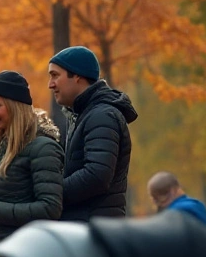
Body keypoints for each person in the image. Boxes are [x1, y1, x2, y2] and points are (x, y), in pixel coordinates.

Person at [0, 71, 63, 243]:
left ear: (15, 106)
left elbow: (50, 209)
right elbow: (4, 195)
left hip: (24, 252)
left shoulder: (43, 148)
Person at [47, 46, 138, 221]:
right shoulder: (83, 115)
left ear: (77, 76)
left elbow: (96, 176)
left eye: (55, 75)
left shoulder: (101, 116)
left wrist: (50, 192)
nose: (50, 84)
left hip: (94, 230)